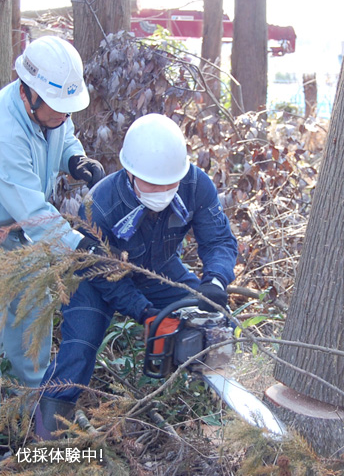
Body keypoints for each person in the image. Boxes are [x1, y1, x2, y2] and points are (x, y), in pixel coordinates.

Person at [35, 113, 238, 439]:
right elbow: (104, 274)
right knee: (79, 350)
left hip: (160, 266)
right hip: (95, 279)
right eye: (152, 184)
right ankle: (45, 443)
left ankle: (225, 420)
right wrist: (146, 314)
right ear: (130, 173)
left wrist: (214, 281)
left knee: (213, 323)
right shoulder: (101, 205)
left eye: (169, 184)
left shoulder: (195, 185)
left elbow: (218, 240)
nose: (162, 191)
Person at [0, 36, 105, 393]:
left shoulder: (53, 113)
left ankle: (34, 398)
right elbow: (32, 210)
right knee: (17, 309)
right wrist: (81, 246)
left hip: (20, 231)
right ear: (30, 93)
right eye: (58, 107)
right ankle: (24, 404)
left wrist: (75, 159)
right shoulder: (5, 132)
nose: (64, 115)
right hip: (14, 224)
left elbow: (63, 134)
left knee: (32, 310)